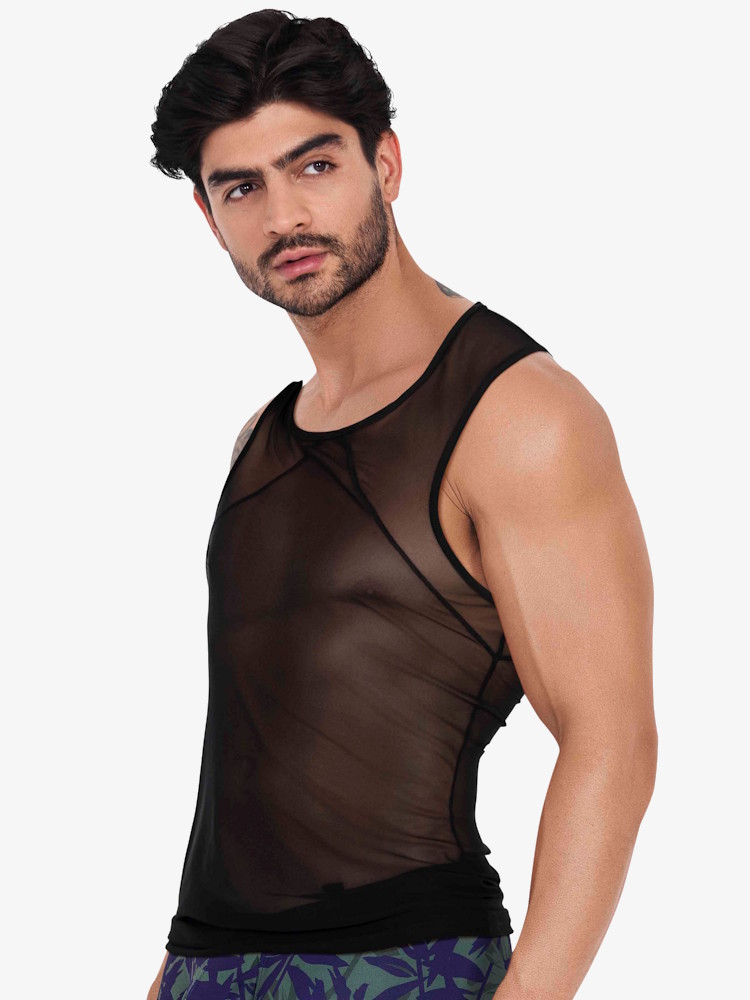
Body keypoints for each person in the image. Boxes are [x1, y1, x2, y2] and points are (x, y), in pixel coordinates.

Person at [147, 10, 657, 1000]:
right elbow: (251, 770)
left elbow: (612, 738)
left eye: (314, 166)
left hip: (404, 967)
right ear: (209, 217)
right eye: (242, 187)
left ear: (384, 163)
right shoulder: (261, 438)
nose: (285, 217)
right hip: (210, 964)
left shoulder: (519, 417)